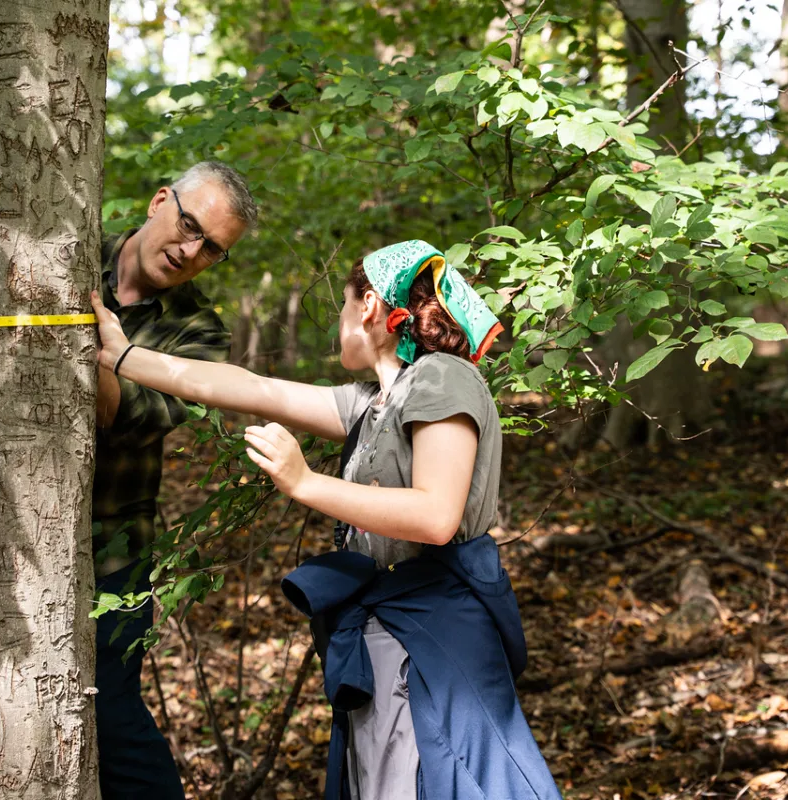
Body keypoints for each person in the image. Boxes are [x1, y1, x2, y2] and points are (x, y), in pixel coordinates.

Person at [90, 240, 562, 799]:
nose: (338, 321)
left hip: (435, 637)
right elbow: (252, 388)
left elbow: (437, 515)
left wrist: (305, 482)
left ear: (368, 307)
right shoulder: (375, 401)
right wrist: (123, 357)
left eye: (344, 305)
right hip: (390, 633)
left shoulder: (441, 379)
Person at [92, 161, 257, 799]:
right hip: (6, 529)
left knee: (110, 711)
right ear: (161, 199)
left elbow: (121, 417)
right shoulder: (70, 251)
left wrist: (101, 338)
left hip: (114, 548)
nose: (190, 251)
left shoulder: (199, 332)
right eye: (188, 225)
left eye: (212, 249)